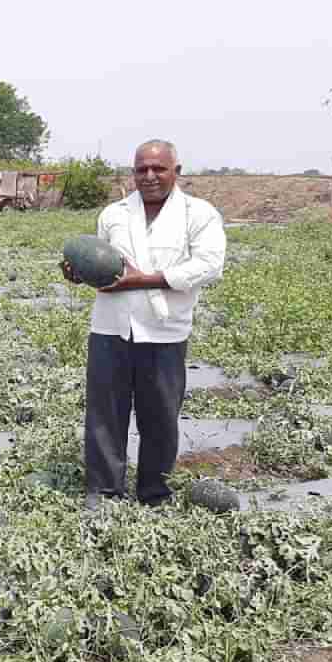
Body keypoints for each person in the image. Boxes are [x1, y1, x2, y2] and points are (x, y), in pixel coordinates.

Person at [63, 139, 226, 509]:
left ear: (176, 171)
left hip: (164, 331)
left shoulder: (198, 214)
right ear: (133, 172)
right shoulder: (114, 213)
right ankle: (104, 492)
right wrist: (78, 273)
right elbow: (101, 263)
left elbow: (209, 266)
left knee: (160, 417)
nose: (149, 176)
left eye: (159, 169)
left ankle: (155, 493)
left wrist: (147, 280)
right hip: (110, 326)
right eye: (141, 169)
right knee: (105, 414)